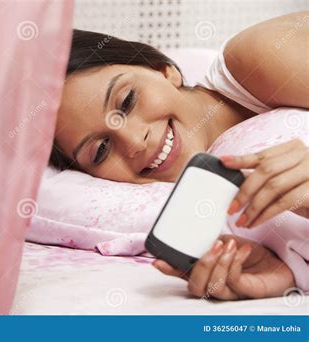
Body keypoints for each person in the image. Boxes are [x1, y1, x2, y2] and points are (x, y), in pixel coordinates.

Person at [49, 11, 309, 300]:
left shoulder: (260, 55)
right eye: (101, 150)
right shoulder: (218, 203)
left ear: (163, 70)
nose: (135, 140)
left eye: (127, 101)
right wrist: (290, 275)